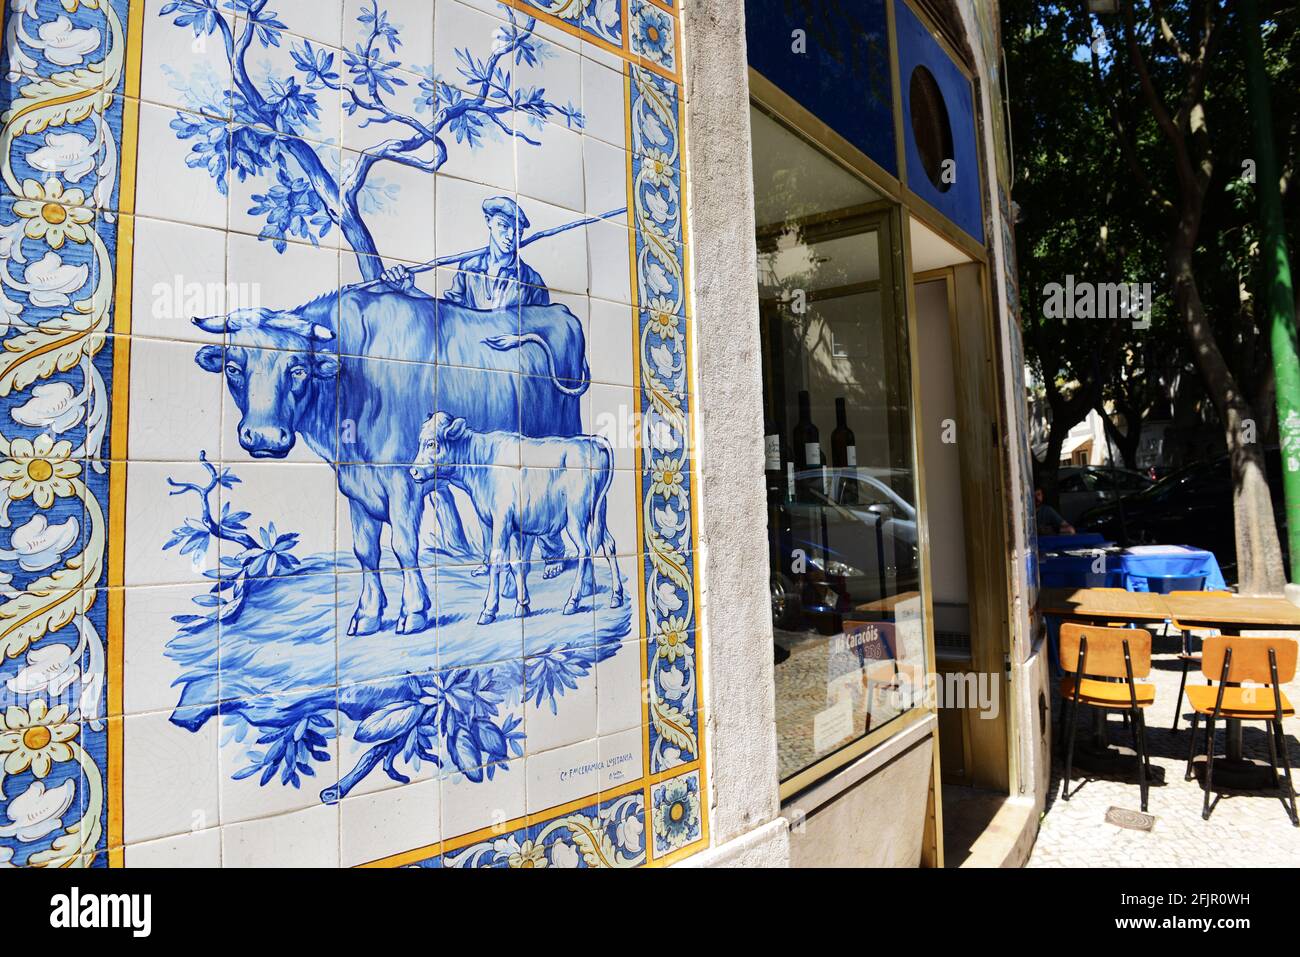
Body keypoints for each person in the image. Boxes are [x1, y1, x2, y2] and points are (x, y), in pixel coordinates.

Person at [381, 196, 550, 309]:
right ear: (488, 221)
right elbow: (450, 314)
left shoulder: (532, 281)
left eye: (518, 232)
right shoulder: (469, 268)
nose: (511, 236)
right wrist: (409, 289)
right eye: (504, 226)